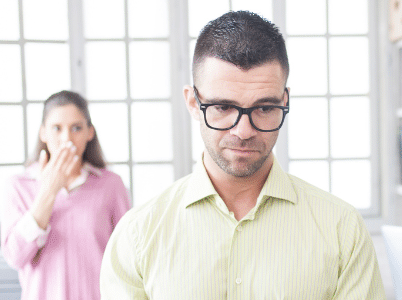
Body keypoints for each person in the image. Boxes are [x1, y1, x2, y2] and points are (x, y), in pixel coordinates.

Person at [99, 11, 385, 299]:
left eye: (264, 108)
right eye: (223, 107)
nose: (244, 130)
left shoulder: (342, 229)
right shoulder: (137, 236)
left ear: (284, 102)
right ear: (193, 102)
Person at [1, 90, 132, 300]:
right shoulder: (19, 186)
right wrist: (49, 191)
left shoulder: (111, 185)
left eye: (76, 128)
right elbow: (15, 257)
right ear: (43, 133)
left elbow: (128, 258)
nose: (66, 139)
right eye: (56, 128)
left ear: (90, 132)